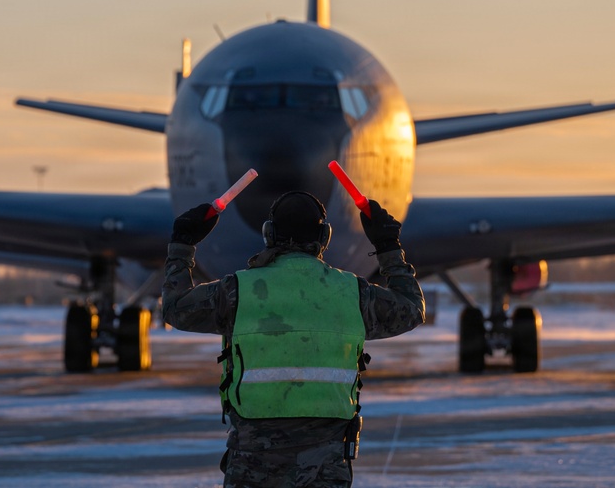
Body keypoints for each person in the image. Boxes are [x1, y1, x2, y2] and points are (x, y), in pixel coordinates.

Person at [162, 191, 425, 488]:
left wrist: (182, 244)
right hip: (324, 463)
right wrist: (388, 246)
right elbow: (411, 310)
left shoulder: (236, 291)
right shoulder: (353, 293)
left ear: (269, 234)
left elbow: (175, 308)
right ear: (324, 237)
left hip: (253, 458)